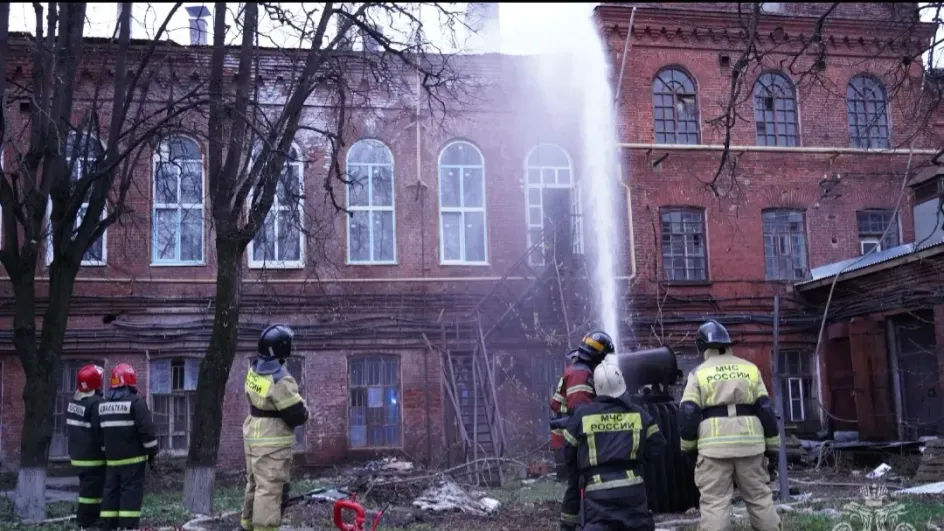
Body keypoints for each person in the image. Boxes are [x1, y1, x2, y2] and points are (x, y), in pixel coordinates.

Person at [678, 320, 781, 531]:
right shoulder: (750, 369)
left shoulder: (698, 373)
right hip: (751, 445)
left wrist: (688, 449)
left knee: (715, 504)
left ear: (703, 346)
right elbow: (765, 409)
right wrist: (773, 448)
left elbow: (688, 412)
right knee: (760, 499)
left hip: (714, 450)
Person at [560, 359, 666, 531]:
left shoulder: (582, 415)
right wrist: (636, 462)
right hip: (633, 490)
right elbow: (658, 446)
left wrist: (585, 466)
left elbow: (568, 454)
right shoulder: (639, 413)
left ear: (596, 387)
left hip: (597, 492)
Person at [241, 325, 310, 531]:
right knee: (270, 489)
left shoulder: (253, 371)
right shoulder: (281, 379)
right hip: (272, 440)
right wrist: (306, 411)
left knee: (255, 484)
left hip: (254, 435)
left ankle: (247, 524)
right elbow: (298, 414)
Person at [99, 363, 159, 531]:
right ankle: (128, 527)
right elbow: (147, 432)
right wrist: (152, 454)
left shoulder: (102, 406)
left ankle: (108, 526)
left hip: (111, 461)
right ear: (131, 382)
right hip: (133, 462)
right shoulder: (136, 403)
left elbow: (100, 434)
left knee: (111, 492)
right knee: (130, 494)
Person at [549, 331, 615, 481]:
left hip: (570, 439)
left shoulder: (580, 370)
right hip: (570, 441)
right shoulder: (580, 375)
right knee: (577, 490)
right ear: (599, 356)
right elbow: (583, 415)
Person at [68, 364, 107, 529]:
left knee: (86, 489)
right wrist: (107, 450)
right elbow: (100, 432)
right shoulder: (95, 404)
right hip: (93, 458)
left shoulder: (74, 402)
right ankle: (87, 520)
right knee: (92, 492)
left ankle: (86, 518)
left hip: (78, 456)